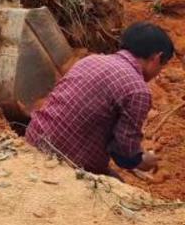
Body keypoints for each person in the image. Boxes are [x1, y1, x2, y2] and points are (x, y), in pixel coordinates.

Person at [26, 21, 173, 176]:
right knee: (117, 192)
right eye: (162, 66)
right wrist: (142, 161)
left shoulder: (90, 60)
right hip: (63, 162)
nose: (159, 72)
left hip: (33, 141)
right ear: (157, 58)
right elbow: (124, 155)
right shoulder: (138, 91)